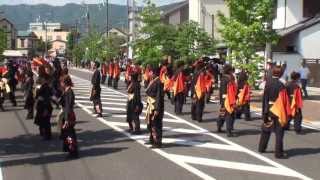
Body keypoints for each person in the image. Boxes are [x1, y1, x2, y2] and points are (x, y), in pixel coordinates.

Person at [258, 65, 290, 159]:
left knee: (266, 129)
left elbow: (265, 99)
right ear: (281, 74)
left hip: (269, 108)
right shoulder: (281, 85)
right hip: (278, 109)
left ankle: (261, 148)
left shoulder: (268, 83)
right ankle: (278, 153)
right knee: (279, 132)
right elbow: (284, 100)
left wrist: (264, 112)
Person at [60, 75, 78, 159]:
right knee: (67, 133)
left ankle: (73, 150)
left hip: (69, 115)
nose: (60, 84)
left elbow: (68, 106)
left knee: (69, 134)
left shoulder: (69, 92)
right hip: (67, 114)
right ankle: (71, 149)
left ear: (65, 83)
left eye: (61, 82)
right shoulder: (66, 91)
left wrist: (66, 119)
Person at [145, 67, 164, 148]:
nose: (148, 74)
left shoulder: (158, 82)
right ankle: (151, 139)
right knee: (150, 123)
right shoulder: (153, 80)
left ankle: (157, 142)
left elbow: (159, 96)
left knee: (156, 124)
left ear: (153, 72)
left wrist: (157, 109)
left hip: (155, 105)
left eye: (150, 72)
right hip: (150, 104)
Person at [217, 64, 237, 137]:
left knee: (222, 112)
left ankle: (219, 126)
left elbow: (221, 89)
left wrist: (221, 99)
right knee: (230, 115)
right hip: (230, 98)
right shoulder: (230, 78)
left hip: (223, 97)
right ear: (229, 70)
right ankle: (229, 131)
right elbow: (233, 89)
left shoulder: (223, 77)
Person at [34, 65, 53, 140]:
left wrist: (38, 91)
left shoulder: (45, 85)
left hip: (44, 103)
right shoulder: (45, 84)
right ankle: (45, 133)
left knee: (44, 120)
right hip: (44, 103)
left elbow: (38, 94)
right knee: (44, 120)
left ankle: (46, 134)